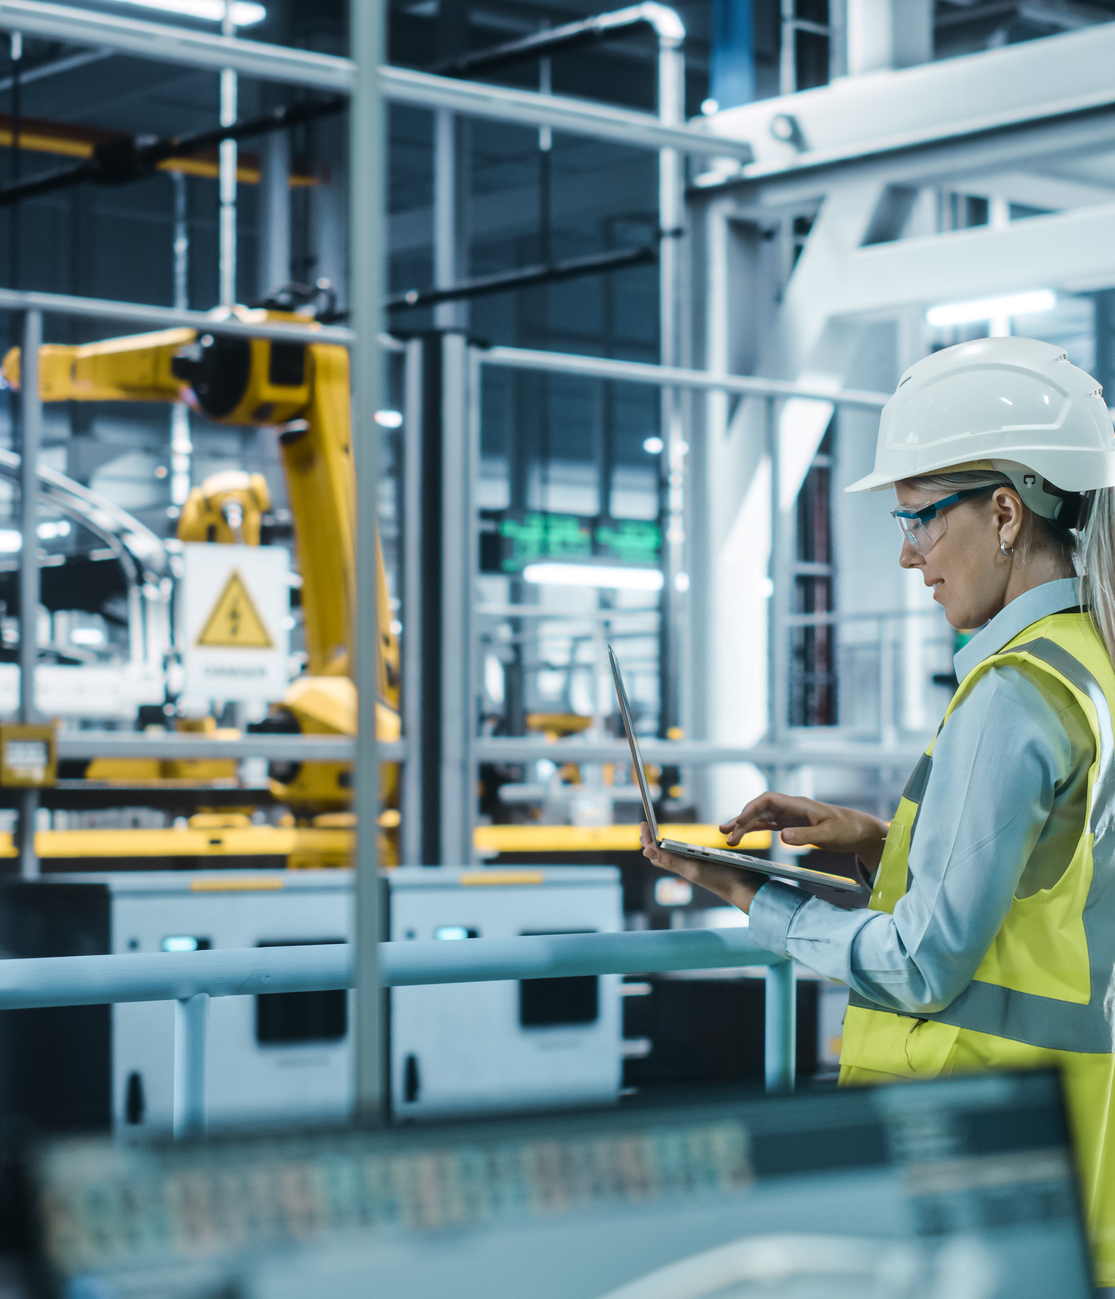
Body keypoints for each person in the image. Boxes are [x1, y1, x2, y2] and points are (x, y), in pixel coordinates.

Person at [640, 336, 1115, 1289]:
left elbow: (922, 963)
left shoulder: (1011, 693)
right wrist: (878, 845)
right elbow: (1055, 880)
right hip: (1070, 1149)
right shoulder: (1089, 663)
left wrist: (753, 898)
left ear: (1006, 513)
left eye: (919, 520)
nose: (906, 555)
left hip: (971, 1154)